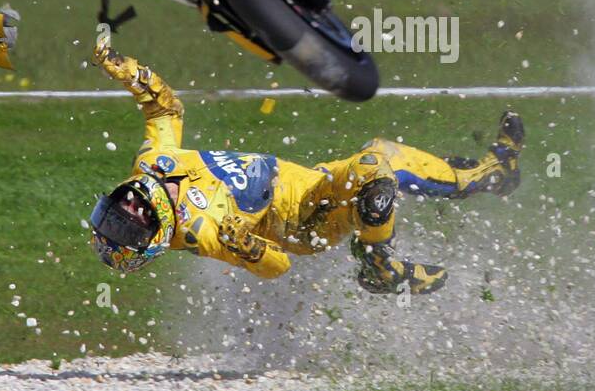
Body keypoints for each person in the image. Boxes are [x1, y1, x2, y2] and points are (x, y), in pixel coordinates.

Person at [88, 43, 525, 295]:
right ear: (151, 240)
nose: (127, 211)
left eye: (111, 213)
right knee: (374, 175)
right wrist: (249, 248)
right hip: (303, 221)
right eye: (126, 228)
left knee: (383, 155)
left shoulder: (150, 166)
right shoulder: (203, 230)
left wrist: (130, 73)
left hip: (310, 181)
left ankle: (491, 174)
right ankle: (382, 265)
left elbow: (165, 109)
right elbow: (278, 266)